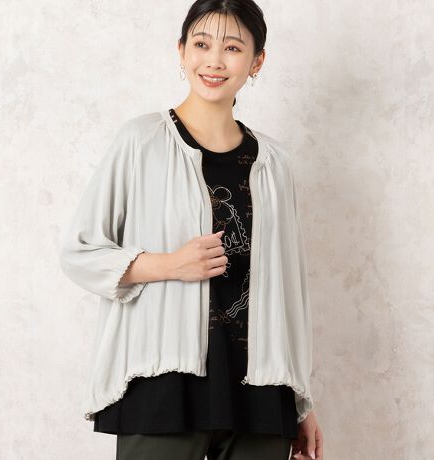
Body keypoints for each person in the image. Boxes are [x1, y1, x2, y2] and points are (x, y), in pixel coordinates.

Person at [59, 1, 323, 459]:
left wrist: (302, 401)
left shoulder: (274, 163)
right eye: (201, 44)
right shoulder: (141, 141)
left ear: (257, 61)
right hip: (162, 383)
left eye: (233, 48)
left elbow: (291, 291)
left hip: (261, 393)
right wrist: (170, 264)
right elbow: (80, 252)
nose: (214, 60)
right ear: (181, 51)